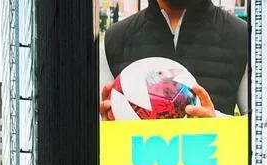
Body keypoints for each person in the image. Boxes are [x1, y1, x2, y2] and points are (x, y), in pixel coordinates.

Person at [100, 0, 250, 119]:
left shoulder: (241, 36)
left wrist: (216, 121)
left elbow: (262, 132)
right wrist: (104, 127)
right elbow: (97, 134)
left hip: (213, 155)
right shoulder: (115, 39)